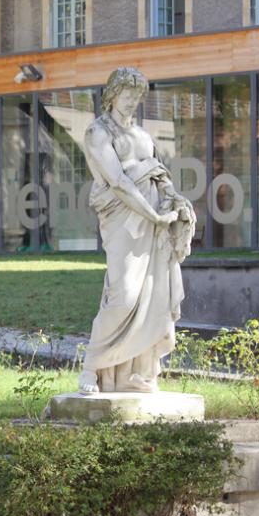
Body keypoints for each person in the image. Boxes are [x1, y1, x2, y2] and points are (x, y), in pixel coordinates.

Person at [78, 67, 196, 394]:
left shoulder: (143, 137)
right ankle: (91, 367)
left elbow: (161, 176)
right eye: (127, 95)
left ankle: (138, 372)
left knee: (154, 294)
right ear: (113, 94)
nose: (132, 102)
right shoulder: (97, 133)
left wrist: (176, 202)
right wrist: (153, 216)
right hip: (124, 222)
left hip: (155, 222)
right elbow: (117, 182)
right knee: (123, 294)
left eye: (137, 96)